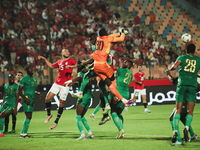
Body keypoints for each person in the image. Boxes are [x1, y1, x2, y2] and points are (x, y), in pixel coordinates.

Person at [166, 43, 200, 145]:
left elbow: (174, 67)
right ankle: (187, 129)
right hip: (192, 86)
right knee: (190, 111)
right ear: (194, 51)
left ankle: (177, 135)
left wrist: (170, 68)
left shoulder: (182, 57)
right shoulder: (198, 60)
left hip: (182, 85)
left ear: (186, 50)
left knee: (177, 111)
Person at [91, 28, 133, 106]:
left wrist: (118, 32)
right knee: (113, 81)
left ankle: (123, 101)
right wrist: (123, 33)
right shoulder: (107, 39)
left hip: (96, 66)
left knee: (109, 84)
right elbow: (121, 39)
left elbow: (109, 36)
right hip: (103, 64)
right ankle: (115, 98)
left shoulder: (98, 38)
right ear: (105, 34)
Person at [38, 48, 76, 130]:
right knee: (47, 99)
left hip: (66, 84)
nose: (67, 52)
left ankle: (56, 121)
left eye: (68, 51)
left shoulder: (71, 60)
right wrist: (45, 59)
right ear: (62, 53)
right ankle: (49, 114)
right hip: (57, 83)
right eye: (65, 51)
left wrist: (71, 66)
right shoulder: (59, 62)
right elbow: (52, 66)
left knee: (62, 102)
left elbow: (78, 65)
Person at [166, 70, 198, 144]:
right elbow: (174, 81)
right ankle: (192, 134)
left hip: (184, 100)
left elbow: (174, 81)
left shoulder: (184, 78)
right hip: (190, 100)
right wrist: (169, 75)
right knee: (182, 117)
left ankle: (178, 139)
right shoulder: (192, 77)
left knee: (173, 117)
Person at [64, 63, 94, 140]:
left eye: (77, 67)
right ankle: (90, 133)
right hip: (89, 97)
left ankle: (82, 135)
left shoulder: (81, 73)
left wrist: (71, 81)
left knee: (78, 116)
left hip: (83, 97)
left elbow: (79, 77)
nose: (76, 68)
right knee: (82, 116)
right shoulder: (88, 75)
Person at [111, 60, 134, 138]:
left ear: (129, 65)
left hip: (119, 92)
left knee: (113, 112)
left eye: (125, 63)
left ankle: (121, 130)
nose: (124, 63)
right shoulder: (131, 74)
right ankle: (122, 133)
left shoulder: (120, 70)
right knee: (119, 113)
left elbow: (115, 80)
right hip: (126, 94)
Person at [18, 66, 42, 138]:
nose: (32, 70)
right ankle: (23, 134)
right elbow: (19, 91)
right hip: (26, 99)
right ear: (26, 70)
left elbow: (36, 89)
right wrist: (25, 98)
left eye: (32, 69)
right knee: (28, 115)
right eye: (30, 69)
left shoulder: (34, 79)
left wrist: (39, 93)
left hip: (32, 99)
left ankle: (23, 133)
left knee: (29, 116)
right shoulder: (23, 79)